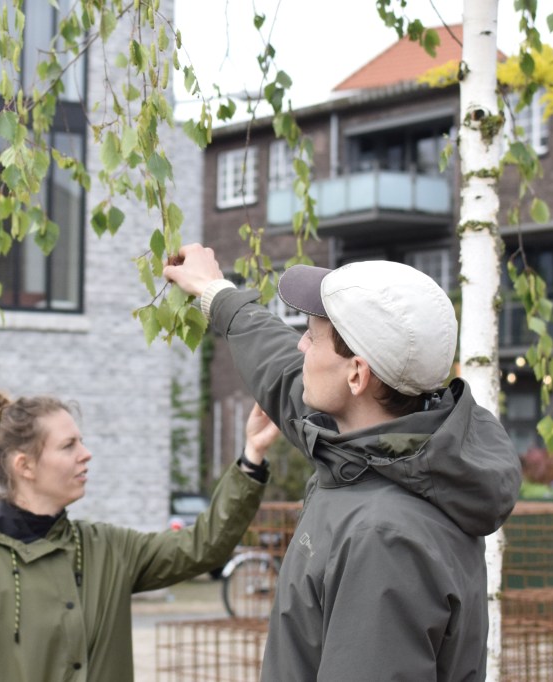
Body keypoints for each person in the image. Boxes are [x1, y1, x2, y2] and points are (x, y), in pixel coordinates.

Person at [164, 244, 522, 681]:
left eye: (312, 338)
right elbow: (280, 372)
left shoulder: (385, 539)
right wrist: (214, 291)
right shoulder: (370, 451)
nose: (300, 346)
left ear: (357, 373)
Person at [0, 388, 279, 682]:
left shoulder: (105, 547)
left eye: (81, 442)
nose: (86, 455)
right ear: (24, 465)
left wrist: (252, 457)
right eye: (68, 445)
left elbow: (202, 546)